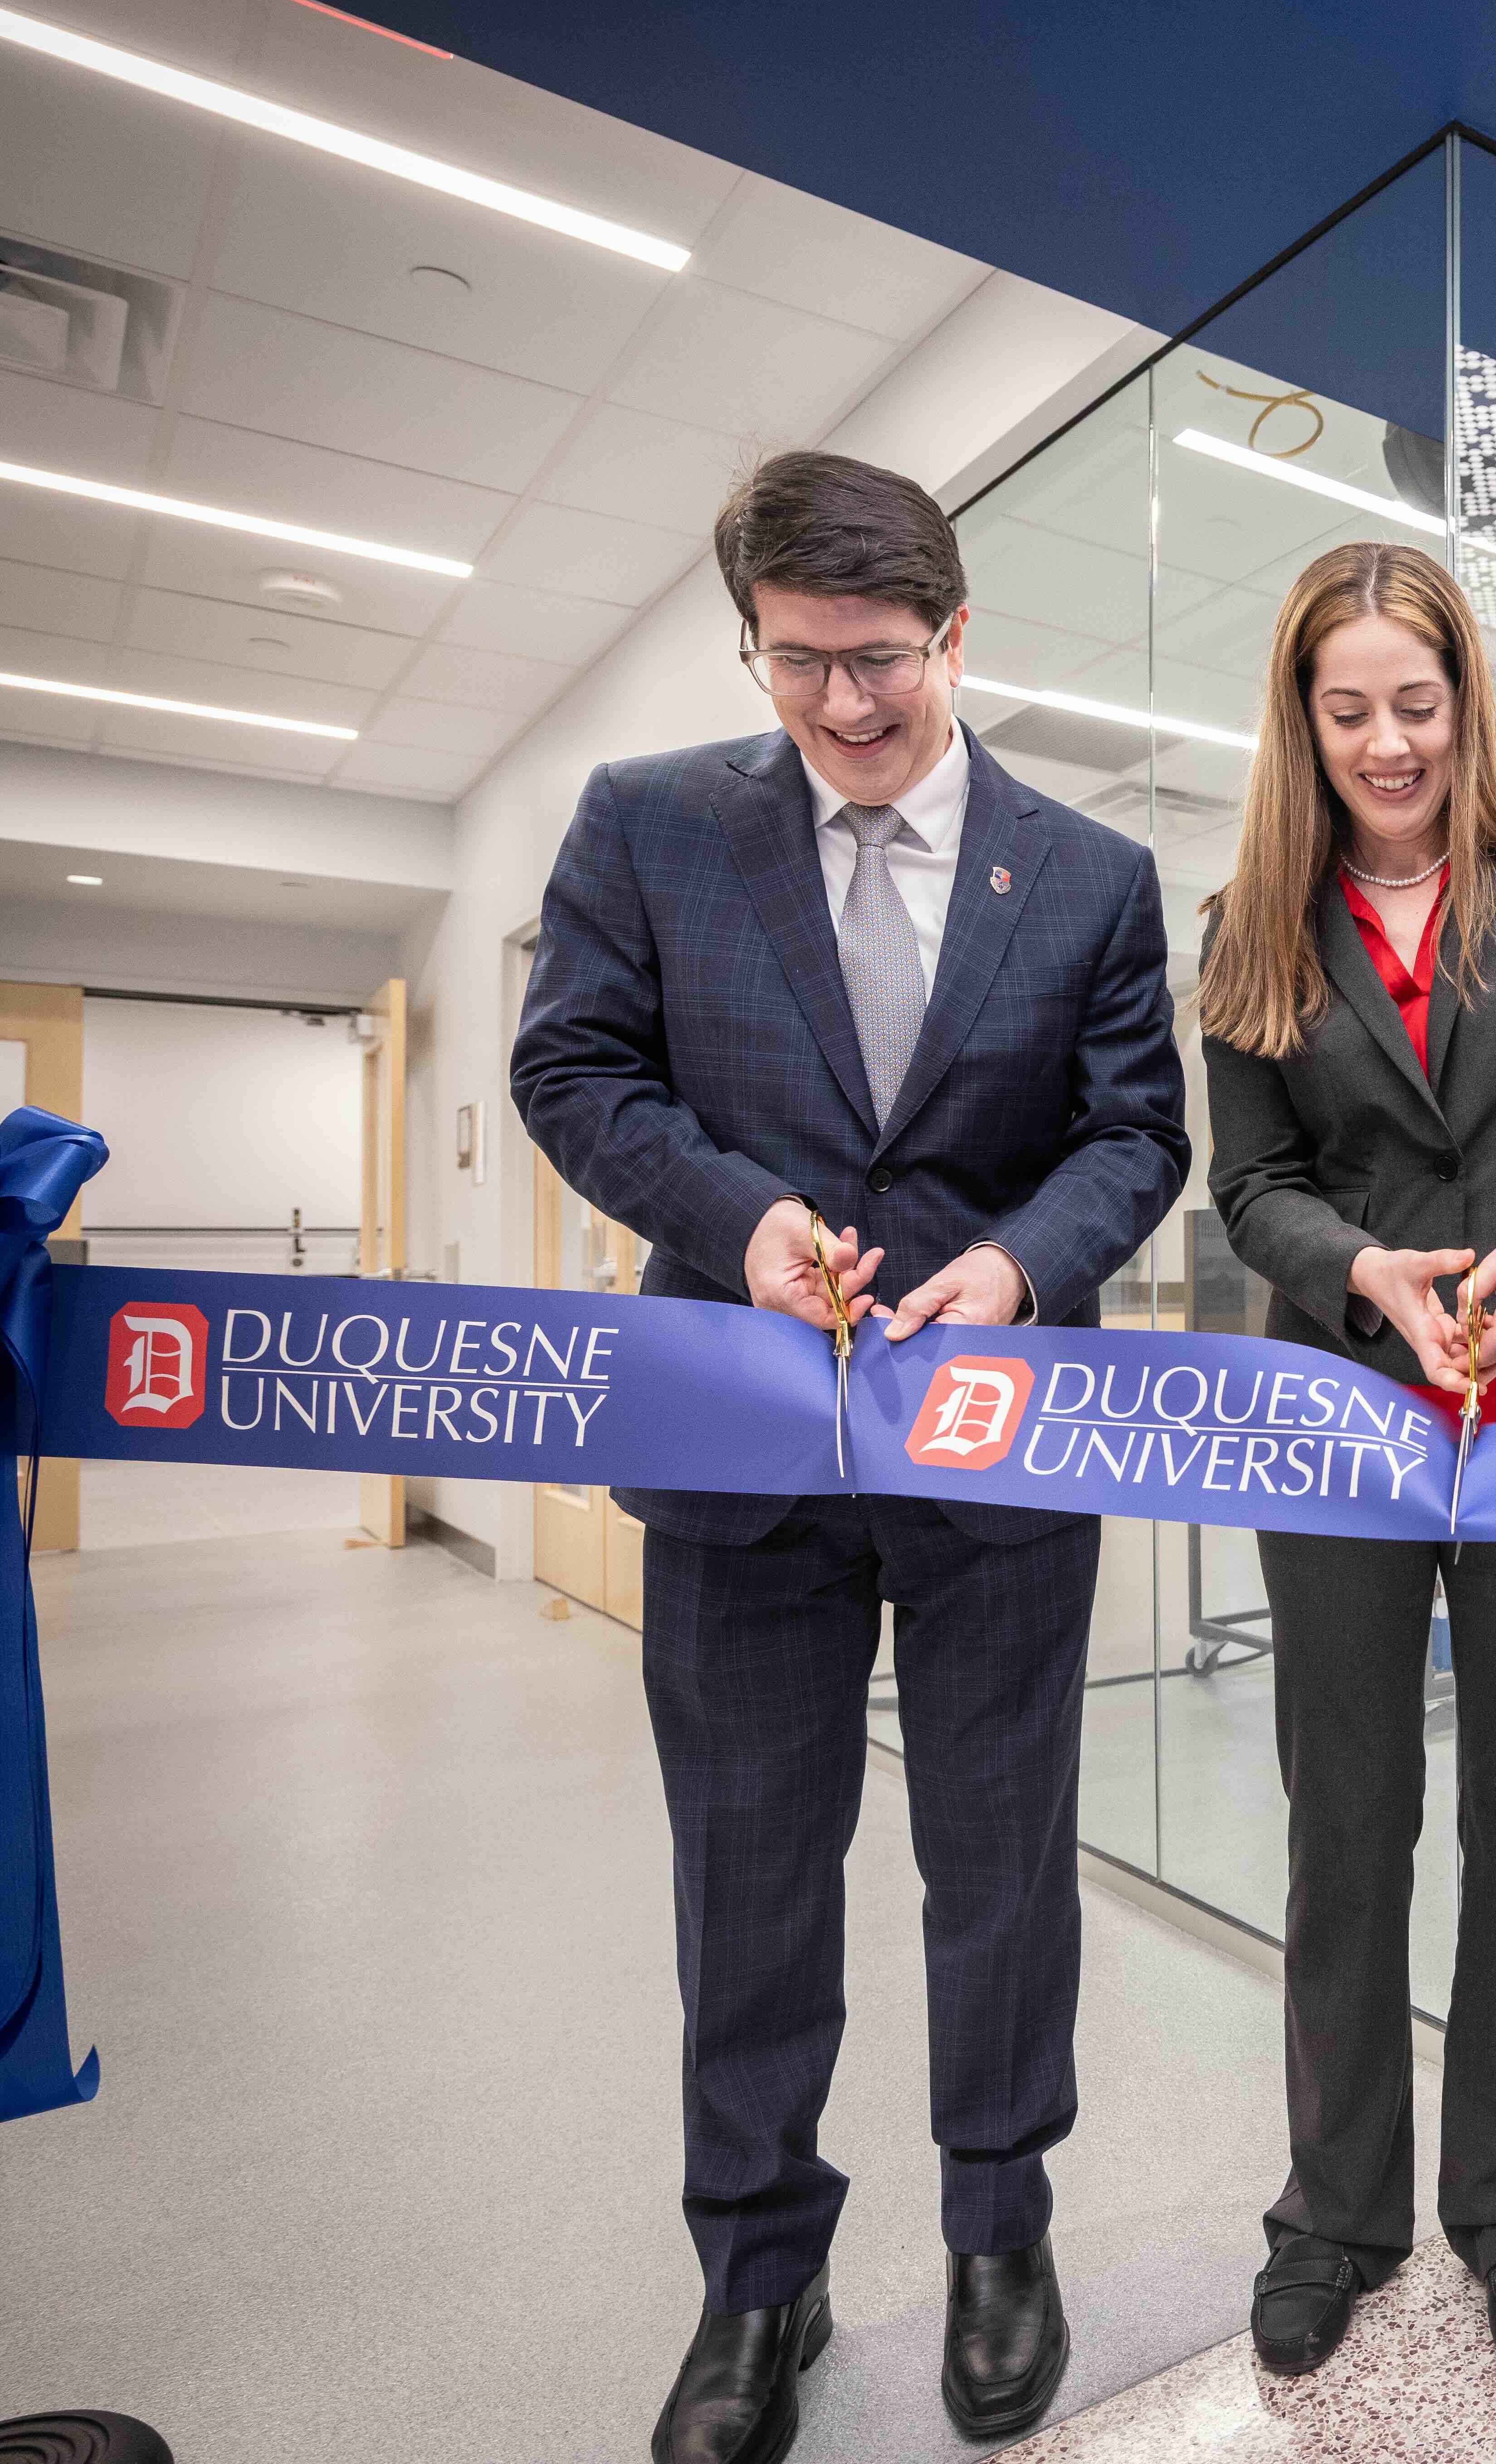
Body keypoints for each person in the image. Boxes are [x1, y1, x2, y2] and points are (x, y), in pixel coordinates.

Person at [512, 450, 1187, 2464]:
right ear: (754, 644)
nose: (844, 706)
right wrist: (741, 1223)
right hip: (740, 1449)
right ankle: (757, 2276)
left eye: (880, 659)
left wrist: (1016, 1262)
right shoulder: (649, 829)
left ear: (957, 631)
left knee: (996, 1871)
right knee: (748, 1881)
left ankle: (1001, 2233)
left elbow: (1135, 1135)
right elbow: (574, 1068)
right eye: (797, 663)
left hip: (993, 1447)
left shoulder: (1087, 874)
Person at [1197, 542, 1496, 2383]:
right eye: (1348, 711)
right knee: (1347, 1819)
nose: (1387, 743)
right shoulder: (1253, 908)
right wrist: (1363, 1277)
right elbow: (1252, 1186)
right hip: (1340, 1421)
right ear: (1299, 721)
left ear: (1464, 699)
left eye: (1416, 702)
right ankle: (1333, 2206)